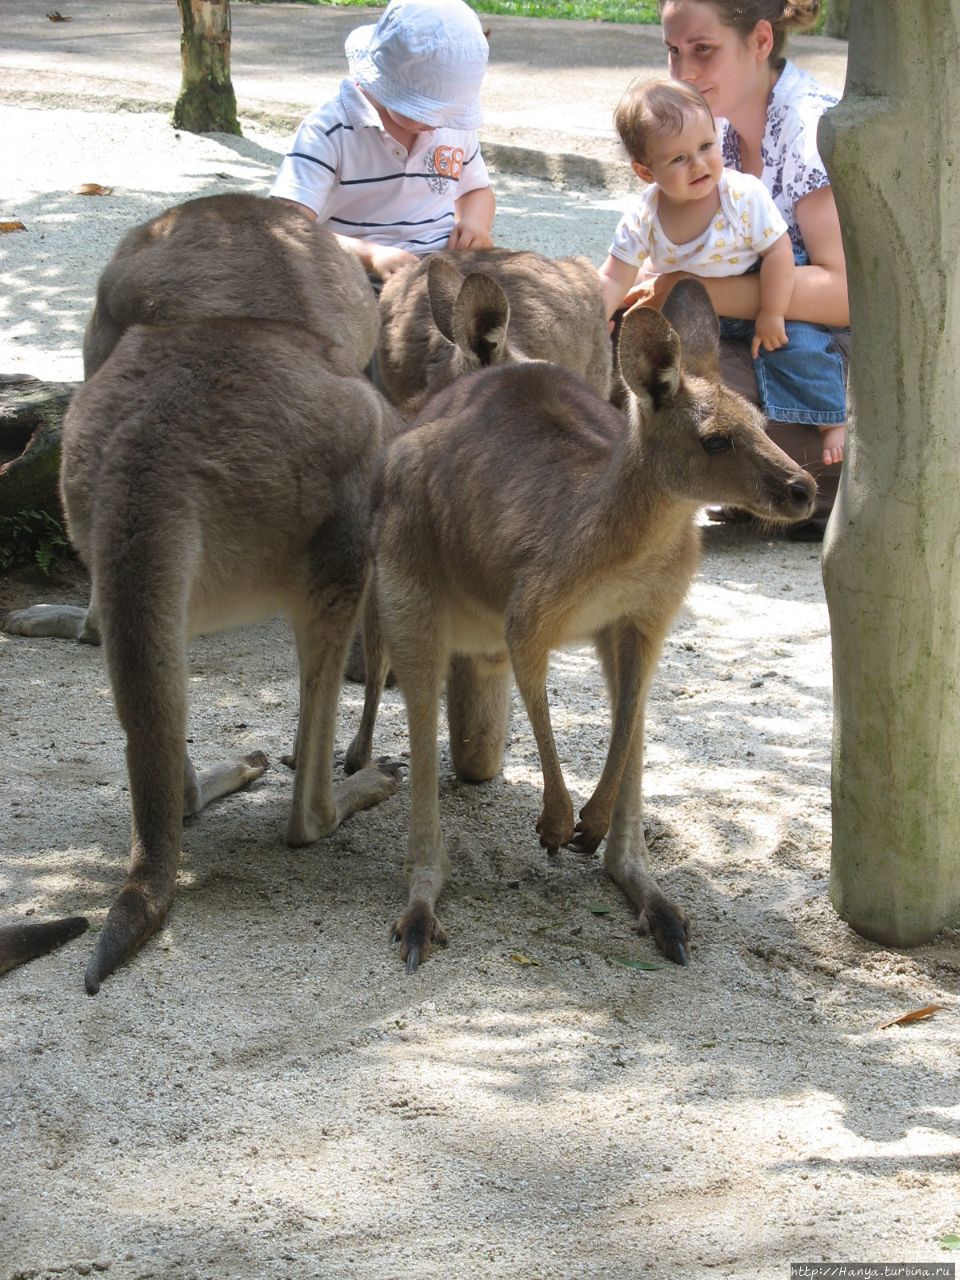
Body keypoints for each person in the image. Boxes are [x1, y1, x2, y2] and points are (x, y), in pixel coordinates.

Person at [633, 0, 849, 537]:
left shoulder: (807, 130)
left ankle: (817, 482)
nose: (683, 74)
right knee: (640, 384)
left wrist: (690, 288)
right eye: (673, 52)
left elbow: (848, 293)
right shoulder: (716, 126)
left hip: (828, 357)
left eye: (703, 51)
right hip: (758, 335)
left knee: (678, 413)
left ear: (760, 41)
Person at [270, 0, 495, 284]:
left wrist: (475, 223)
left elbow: (476, 191)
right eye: (425, 112)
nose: (438, 123)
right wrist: (370, 255)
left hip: (444, 272)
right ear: (385, 81)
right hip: (354, 279)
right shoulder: (328, 129)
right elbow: (287, 224)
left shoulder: (451, 124)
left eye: (450, 112)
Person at [599, 78, 801, 373]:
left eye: (706, 146)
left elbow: (779, 253)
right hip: (690, 313)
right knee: (633, 347)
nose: (698, 164)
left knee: (802, 350)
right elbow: (614, 277)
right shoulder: (644, 215)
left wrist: (772, 312)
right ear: (645, 172)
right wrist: (597, 316)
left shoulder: (741, 196)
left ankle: (829, 419)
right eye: (679, 158)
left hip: (757, 290)